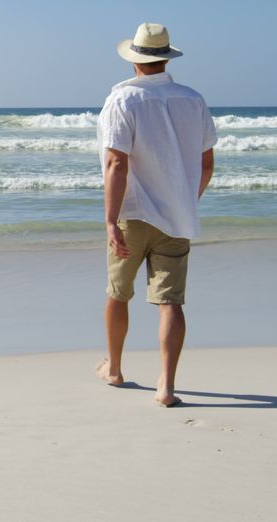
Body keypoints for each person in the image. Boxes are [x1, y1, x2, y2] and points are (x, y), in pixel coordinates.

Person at [94, 22, 216, 407]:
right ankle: (166, 386)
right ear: (165, 58)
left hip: (132, 213)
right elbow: (207, 163)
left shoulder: (123, 100)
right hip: (175, 216)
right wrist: (185, 199)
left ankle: (114, 369)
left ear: (134, 61)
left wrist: (111, 220)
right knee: (171, 302)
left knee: (118, 293)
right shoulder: (192, 99)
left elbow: (117, 162)